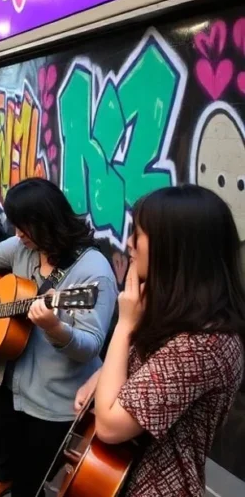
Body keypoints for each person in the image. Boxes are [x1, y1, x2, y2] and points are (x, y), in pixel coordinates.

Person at [74, 185, 245, 497]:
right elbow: (147, 371)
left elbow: (110, 427)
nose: (129, 244)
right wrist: (100, 379)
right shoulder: (175, 312)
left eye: (138, 234)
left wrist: (125, 325)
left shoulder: (203, 344)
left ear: (174, 247)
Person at [0, 178, 118, 497]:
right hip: (6, 384)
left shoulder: (94, 273)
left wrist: (55, 328)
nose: (17, 236)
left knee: (31, 482)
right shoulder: (22, 248)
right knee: (3, 457)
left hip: (52, 401)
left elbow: (90, 347)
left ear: (47, 224)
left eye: (24, 228)